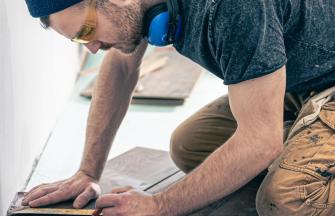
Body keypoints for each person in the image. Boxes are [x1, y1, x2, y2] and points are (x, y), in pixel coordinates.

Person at [22, 0, 335, 215]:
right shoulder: (134, 8)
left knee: (288, 198)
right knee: (189, 146)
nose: (91, 48)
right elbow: (120, 65)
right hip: (301, 84)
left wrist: (159, 206)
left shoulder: (231, 8)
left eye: (87, 32)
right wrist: (87, 171)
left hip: (329, 84)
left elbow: (261, 142)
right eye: (80, 41)